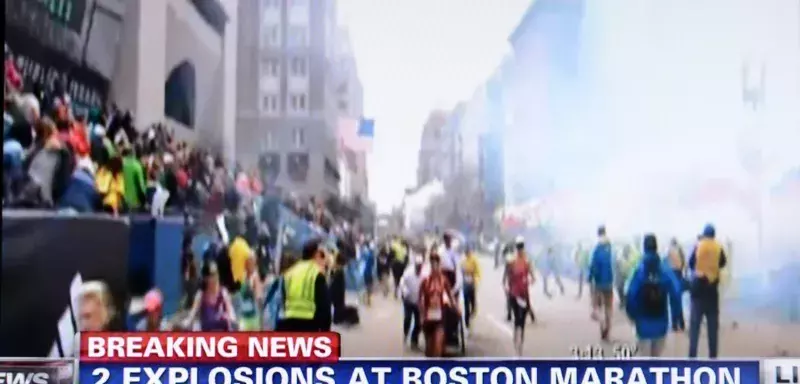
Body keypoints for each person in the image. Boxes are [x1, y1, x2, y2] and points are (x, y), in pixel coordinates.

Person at [625, 234, 683, 357]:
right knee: (656, 360)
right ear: (656, 247)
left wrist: (632, 316)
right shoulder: (665, 269)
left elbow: (630, 293)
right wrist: (675, 316)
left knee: (644, 360)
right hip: (661, 323)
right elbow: (676, 293)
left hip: (642, 324)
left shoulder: (638, 270)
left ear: (644, 247)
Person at [687, 224, 727, 358]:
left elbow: (691, 263)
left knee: (694, 328)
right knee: (712, 329)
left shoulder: (698, 245)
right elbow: (723, 263)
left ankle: (692, 357)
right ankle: (713, 357)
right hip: (712, 292)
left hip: (698, 291)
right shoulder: (718, 247)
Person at [276, 238, 333, 332]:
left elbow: (283, 299)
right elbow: (324, 306)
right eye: (323, 256)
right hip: (310, 323)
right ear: (317, 254)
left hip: (288, 322)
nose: (325, 261)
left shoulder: (290, 272)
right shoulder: (316, 274)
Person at [419, 251, 459, 358]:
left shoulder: (443, 280)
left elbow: (450, 295)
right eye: (432, 263)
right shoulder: (425, 281)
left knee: (437, 347)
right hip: (428, 318)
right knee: (429, 350)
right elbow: (420, 299)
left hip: (439, 318)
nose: (434, 266)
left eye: (436, 263)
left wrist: (455, 308)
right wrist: (421, 316)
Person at [503, 236, 536, 356]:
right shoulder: (511, 261)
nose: (520, 249)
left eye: (522, 246)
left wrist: (529, 281)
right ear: (516, 248)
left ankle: (520, 342)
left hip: (523, 294)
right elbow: (506, 277)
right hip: (513, 294)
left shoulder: (527, 262)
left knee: (522, 321)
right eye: (519, 247)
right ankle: (516, 340)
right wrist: (507, 287)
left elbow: (533, 277)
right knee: (517, 318)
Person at [185, 262, 237, 331]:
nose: (214, 278)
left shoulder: (223, 292)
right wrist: (186, 323)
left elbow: (230, 310)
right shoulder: (201, 295)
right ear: (205, 278)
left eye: (215, 274)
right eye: (210, 275)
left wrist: (233, 320)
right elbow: (192, 313)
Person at [589, 225, 615, 340]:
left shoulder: (597, 248)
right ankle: (608, 330)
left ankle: (602, 325)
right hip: (609, 282)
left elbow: (593, 265)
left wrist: (590, 277)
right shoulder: (611, 247)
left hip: (599, 283)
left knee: (598, 307)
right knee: (608, 306)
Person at [399, 255, 425, 349]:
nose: (419, 267)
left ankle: (414, 340)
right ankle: (406, 333)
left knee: (419, 322)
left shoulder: (424, 274)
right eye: (417, 265)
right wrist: (404, 291)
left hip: (418, 301)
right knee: (408, 318)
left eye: (420, 265)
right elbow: (402, 282)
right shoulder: (408, 272)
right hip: (408, 300)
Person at [666, 238, 687, 331]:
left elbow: (665, 264)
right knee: (678, 301)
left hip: (672, 275)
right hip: (679, 274)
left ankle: (674, 325)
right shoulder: (680, 249)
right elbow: (684, 263)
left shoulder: (669, 251)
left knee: (672, 301)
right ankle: (681, 324)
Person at [238, 254, 263, 331]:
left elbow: (259, 297)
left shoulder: (255, 277)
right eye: (247, 262)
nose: (248, 265)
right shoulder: (243, 276)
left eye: (251, 262)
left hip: (253, 318)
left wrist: (261, 319)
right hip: (244, 316)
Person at [461, 246, 481, 328]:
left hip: (472, 283)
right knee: (466, 303)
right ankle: (466, 320)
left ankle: (473, 310)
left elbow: (478, 271)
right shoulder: (463, 261)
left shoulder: (474, 260)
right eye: (466, 251)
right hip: (465, 284)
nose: (467, 253)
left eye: (468, 251)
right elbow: (461, 271)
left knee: (472, 301)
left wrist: (475, 280)